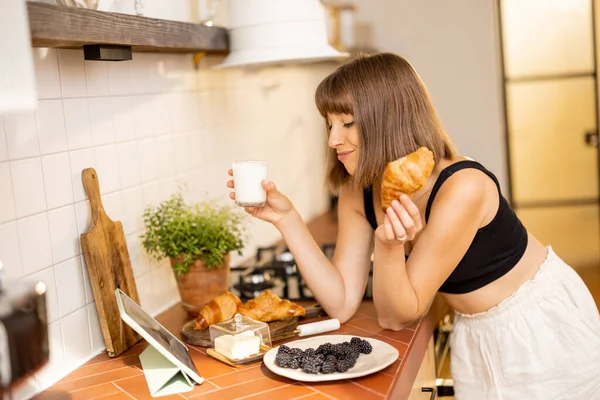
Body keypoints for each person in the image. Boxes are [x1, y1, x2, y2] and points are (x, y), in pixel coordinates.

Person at [226, 53, 600, 399]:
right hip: (475, 331)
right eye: (329, 124)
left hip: (537, 326)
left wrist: (387, 248)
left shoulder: (462, 187)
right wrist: (287, 220)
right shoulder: (359, 192)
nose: (332, 139)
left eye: (347, 123)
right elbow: (341, 301)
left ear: (387, 118)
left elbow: (396, 314)